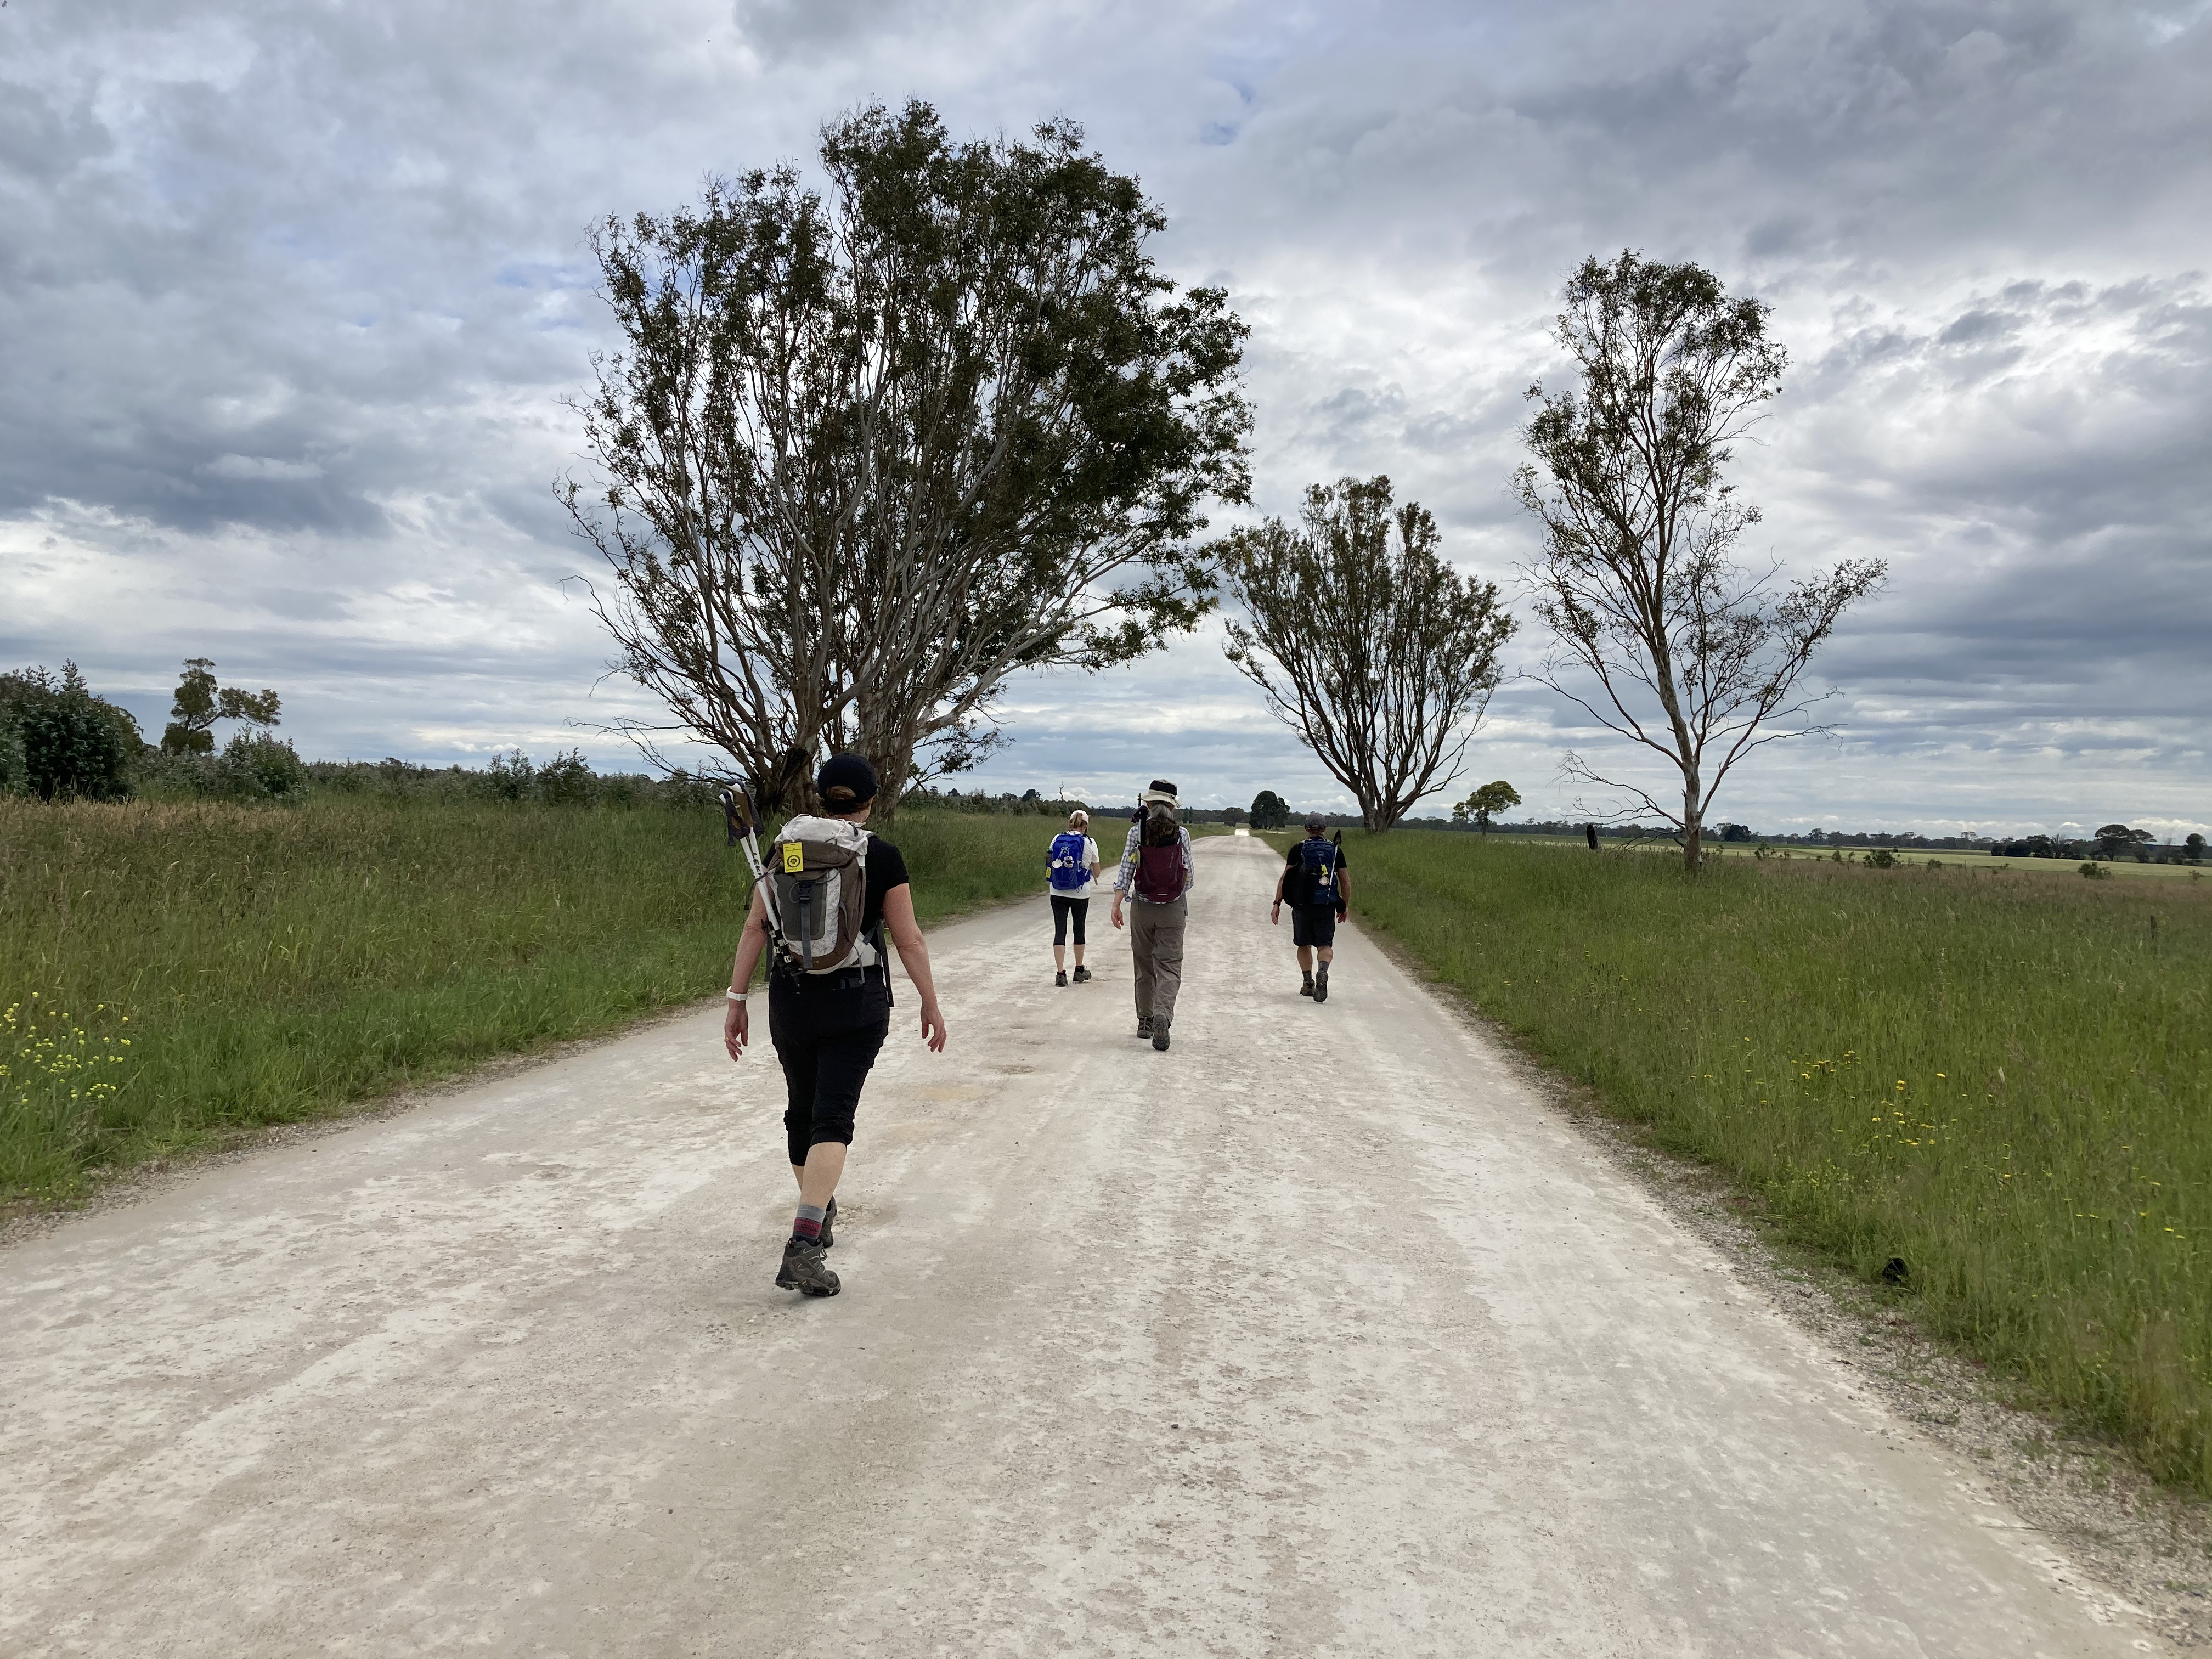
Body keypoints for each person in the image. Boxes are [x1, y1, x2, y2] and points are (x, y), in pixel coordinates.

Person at [723, 754, 947, 1297]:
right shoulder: (881, 855)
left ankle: (816, 1210)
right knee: (833, 1119)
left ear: (823, 798)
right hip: (855, 1003)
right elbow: (908, 938)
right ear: (870, 801)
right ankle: (804, 1245)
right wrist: (930, 1002)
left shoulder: (786, 850)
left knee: (802, 1112)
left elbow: (755, 928)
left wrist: (736, 1000)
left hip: (791, 1000)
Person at [1109, 779, 1194, 1051]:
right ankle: (1163, 1015)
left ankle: (1145, 1021)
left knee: (1144, 963)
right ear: (1172, 807)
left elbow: (1126, 871)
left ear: (1149, 804)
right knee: (1169, 966)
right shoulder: (1182, 834)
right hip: (1173, 909)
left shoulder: (1137, 832)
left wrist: (1117, 903)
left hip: (1143, 908)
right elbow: (1189, 878)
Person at [1272, 813, 1351, 1002]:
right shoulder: (1335, 850)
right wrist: (1344, 906)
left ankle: (1308, 984)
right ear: (1324, 829)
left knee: (1304, 945)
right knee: (1325, 945)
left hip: (1302, 906)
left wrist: (1277, 903)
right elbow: (1345, 881)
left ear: (1306, 828)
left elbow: (1285, 879)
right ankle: (1323, 971)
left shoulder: (1298, 849)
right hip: (1326, 906)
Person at [1046, 808, 1102, 987]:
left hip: (1057, 891)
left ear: (1070, 823)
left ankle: (1060, 974)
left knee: (1060, 931)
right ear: (1086, 825)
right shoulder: (1090, 842)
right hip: (1081, 893)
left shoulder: (1057, 838)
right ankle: (1079, 970)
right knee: (1079, 929)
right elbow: (1097, 873)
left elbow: (1050, 862)